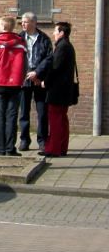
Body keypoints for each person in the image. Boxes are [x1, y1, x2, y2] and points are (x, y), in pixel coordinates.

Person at [0, 15, 27, 156]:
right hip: (15, 85)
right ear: (13, 27)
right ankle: (10, 148)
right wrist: (21, 81)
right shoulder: (21, 43)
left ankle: (1, 149)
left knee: (0, 117)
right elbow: (25, 65)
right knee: (12, 117)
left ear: (2, 27)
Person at [40, 21, 77, 158]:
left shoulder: (62, 47)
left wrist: (45, 81)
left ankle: (54, 149)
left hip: (58, 91)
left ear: (62, 33)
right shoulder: (68, 46)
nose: (54, 33)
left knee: (55, 119)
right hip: (64, 90)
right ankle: (61, 147)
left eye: (56, 31)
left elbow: (55, 68)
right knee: (62, 119)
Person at [17, 12, 53, 153]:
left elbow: (49, 59)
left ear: (33, 22)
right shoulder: (19, 38)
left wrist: (37, 73)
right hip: (24, 79)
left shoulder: (44, 39)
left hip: (39, 80)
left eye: (25, 22)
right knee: (24, 112)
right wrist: (26, 73)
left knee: (42, 112)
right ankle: (24, 140)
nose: (23, 24)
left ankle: (42, 140)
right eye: (22, 22)